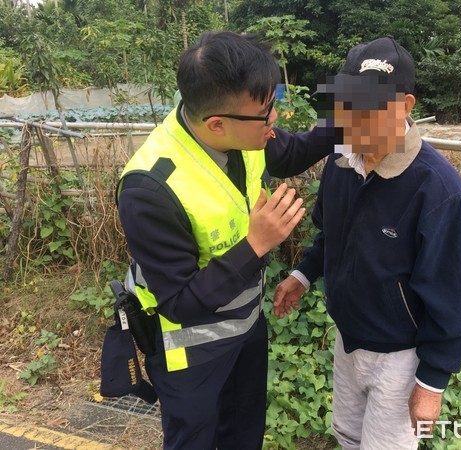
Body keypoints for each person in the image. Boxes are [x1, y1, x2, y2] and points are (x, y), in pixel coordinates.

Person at [116, 31, 332, 449]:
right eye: (267, 112)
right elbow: (179, 303)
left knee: (244, 434)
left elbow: (292, 153)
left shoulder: (244, 134)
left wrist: (353, 115)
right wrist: (255, 245)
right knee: (195, 440)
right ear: (217, 122)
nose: (275, 120)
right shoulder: (150, 189)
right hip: (190, 352)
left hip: (246, 329)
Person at [273, 37, 461, 449]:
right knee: (347, 436)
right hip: (348, 341)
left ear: (405, 106)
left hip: (400, 357)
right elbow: (330, 235)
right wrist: (303, 273)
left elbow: (454, 297)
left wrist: (431, 383)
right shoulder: (342, 162)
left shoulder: (440, 192)